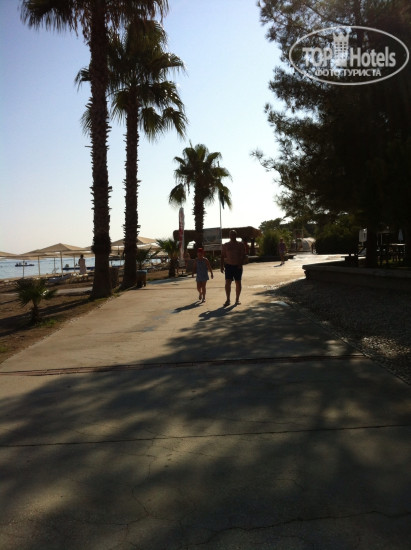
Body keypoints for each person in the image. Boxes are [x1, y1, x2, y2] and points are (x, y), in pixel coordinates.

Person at [220, 229, 246, 306]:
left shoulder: (240, 245)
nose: (232, 236)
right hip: (228, 266)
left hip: (238, 266)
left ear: (236, 235)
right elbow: (222, 256)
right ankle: (228, 299)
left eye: (234, 234)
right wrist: (221, 266)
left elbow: (243, 255)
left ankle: (237, 299)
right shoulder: (226, 245)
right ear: (229, 236)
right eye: (231, 234)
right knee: (227, 282)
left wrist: (240, 264)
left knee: (238, 282)